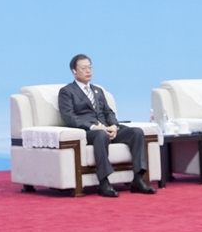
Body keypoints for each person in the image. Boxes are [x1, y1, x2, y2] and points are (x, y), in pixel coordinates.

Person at [58, 54, 156, 197]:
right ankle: (104, 182)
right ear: (74, 71)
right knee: (101, 135)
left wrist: (114, 126)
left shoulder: (98, 90)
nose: (88, 71)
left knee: (136, 132)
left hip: (106, 128)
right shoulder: (67, 92)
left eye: (90, 67)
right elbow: (69, 117)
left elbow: (108, 112)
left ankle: (138, 179)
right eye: (84, 68)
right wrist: (94, 127)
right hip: (88, 131)